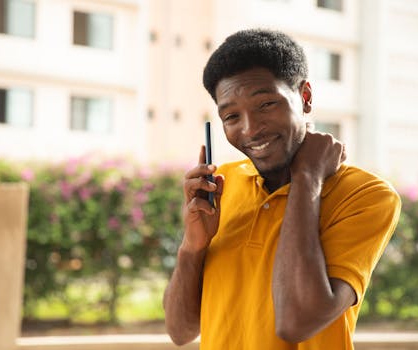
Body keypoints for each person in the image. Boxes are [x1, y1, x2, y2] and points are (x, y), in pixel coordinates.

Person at [163, 29, 401, 349]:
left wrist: (307, 178)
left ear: (304, 98)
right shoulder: (221, 187)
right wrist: (193, 247)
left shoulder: (366, 194)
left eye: (266, 104)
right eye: (231, 116)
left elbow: (296, 322)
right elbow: (181, 332)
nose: (249, 128)